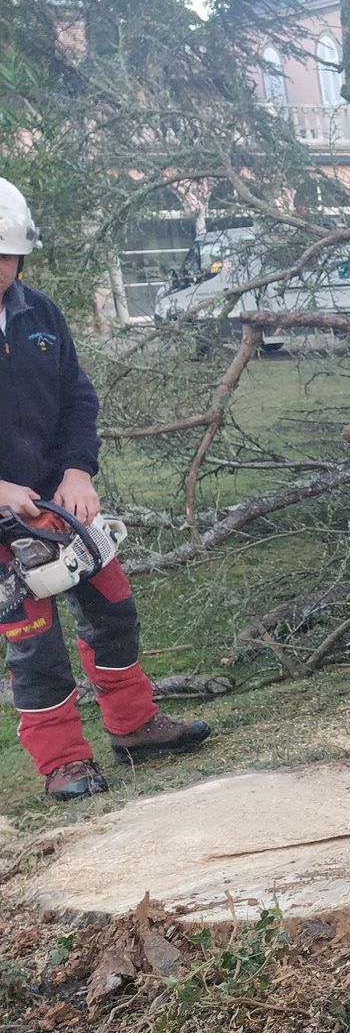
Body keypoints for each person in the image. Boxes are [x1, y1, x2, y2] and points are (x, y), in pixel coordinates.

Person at [0, 179, 210, 801]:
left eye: (4, 256)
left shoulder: (39, 315)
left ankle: (134, 725)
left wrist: (77, 471)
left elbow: (76, 399)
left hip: (59, 503)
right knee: (33, 645)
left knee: (113, 611)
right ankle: (62, 761)